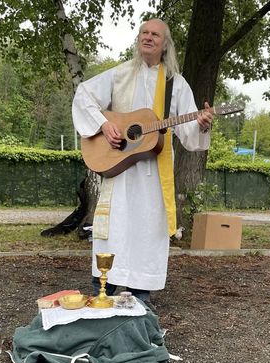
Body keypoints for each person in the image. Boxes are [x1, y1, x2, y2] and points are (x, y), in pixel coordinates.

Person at [72, 18, 213, 308]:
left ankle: (140, 300)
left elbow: (189, 132)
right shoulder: (120, 73)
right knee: (115, 228)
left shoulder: (176, 83)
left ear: (165, 44)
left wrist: (203, 125)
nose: (148, 38)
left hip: (153, 175)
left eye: (155, 35)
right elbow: (83, 95)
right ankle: (104, 293)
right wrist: (103, 125)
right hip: (119, 171)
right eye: (144, 33)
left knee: (148, 229)